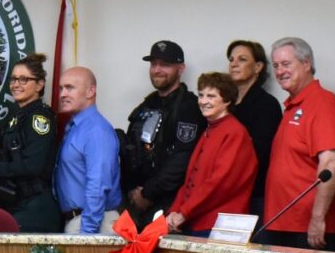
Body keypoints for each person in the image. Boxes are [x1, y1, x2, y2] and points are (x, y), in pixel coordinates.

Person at [261, 37, 335, 251]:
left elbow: (331, 161)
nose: (279, 71)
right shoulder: (292, 106)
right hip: (284, 223)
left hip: (310, 229)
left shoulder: (322, 103)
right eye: (275, 66)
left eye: (286, 64)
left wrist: (317, 218)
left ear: (307, 64)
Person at [0, 54, 59, 232]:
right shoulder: (17, 116)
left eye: (24, 79)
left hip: (36, 209)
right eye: (13, 79)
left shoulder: (38, 118)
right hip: (15, 203)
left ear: (40, 85)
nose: (16, 84)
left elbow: (34, 165)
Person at [121, 40, 205, 227]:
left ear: (180, 68)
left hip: (169, 204)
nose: (157, 69)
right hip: (137, 202)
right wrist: (132, 192)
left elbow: (182, 159)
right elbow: (132, 150)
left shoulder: (188, 108)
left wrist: (147, 193)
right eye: (153, 64)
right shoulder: (147, 105)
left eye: (165, 64)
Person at [166, 73, 257, 237]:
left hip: (220, 228)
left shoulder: (235, 132)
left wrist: (184, 212)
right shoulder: (210, 128)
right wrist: (174, 211)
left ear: (227, 101)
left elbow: (220, 183)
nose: (202, 101)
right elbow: (190, 181)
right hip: (199, 222)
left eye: (211, 96)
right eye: (201, 95)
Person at [52, 66, 122, 234]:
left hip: (92, 224)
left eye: (70, 88)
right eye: (61, 88)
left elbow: (98, 185)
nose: (62, 94)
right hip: (80, 221)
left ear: (90, 91)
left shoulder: (96, 130)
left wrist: (87, 233)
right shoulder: (77, 126)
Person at [227, 39, 282, 217]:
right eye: (231, 59)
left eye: (242, 59)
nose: (234, 63)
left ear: (258, 67)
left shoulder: (267, 104)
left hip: (254, 195)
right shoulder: (225, 104)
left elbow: (259, 153)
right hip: (226, 192)